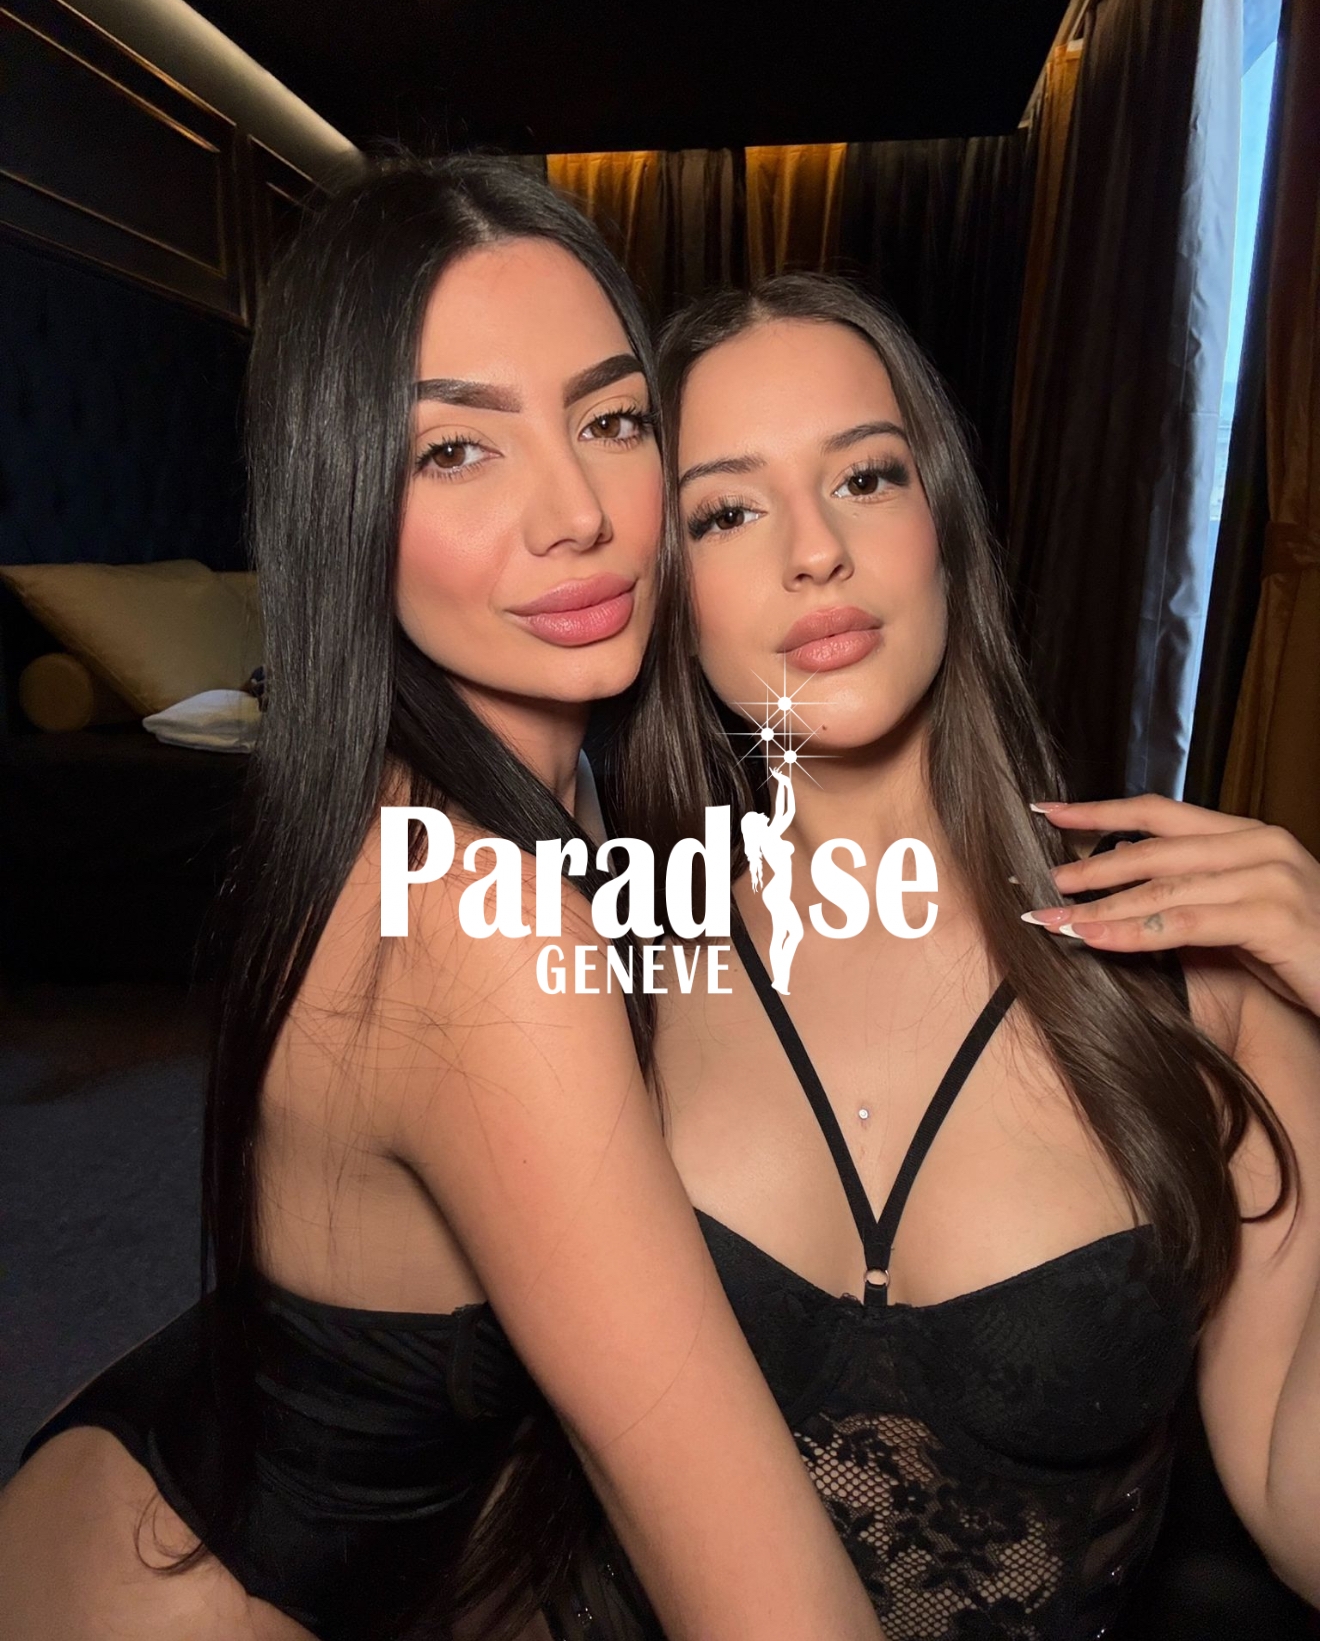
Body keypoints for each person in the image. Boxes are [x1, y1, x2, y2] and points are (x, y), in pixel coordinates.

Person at [0, 167, 888, 1641]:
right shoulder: (486, 922)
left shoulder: (524, 788)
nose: (579, 514)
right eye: (457, 450)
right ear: (340, 497)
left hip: (212, 1467)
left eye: (612, 421)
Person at [605, 273, 1320, 1640]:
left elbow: (1304, 1520)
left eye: (865, 477)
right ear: (667, 593)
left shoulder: (1201, 976)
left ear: (945, 522)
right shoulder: (607, 969)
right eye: (728, 512)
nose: (816, 551)